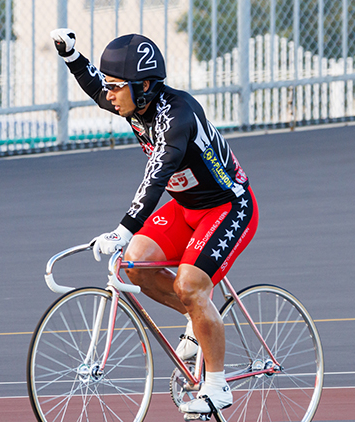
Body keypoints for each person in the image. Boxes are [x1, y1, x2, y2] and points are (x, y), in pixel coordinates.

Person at [50, 29, 258, 414]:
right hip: (186, 207)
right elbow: (98, 89)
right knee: (135, 263)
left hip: (228, 207)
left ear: (143, 86)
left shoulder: (177, 117)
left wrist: (121, 229)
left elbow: (156, 178)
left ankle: (217, 385)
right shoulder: (134, 101)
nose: (110, 95)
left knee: (190, 285)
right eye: (111, 87)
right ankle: (197, 320)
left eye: (117, 87)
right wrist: (72, 56)